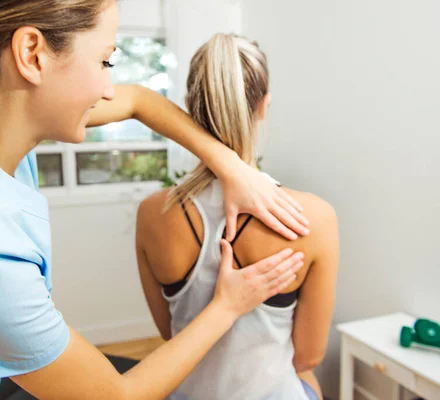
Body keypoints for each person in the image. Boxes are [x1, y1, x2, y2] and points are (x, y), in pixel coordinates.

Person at [0, 2, 310, 399]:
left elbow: (139, 100)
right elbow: (115, 397)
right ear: (32, 54)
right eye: (105, 60)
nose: (108, 86)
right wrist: (228, 303)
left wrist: (232, 168)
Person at [136, 34, 339, 400]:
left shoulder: (153, 212)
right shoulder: (315, 217)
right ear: (264, 106)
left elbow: (171, 336)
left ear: (188, 108)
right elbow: (308, 356)